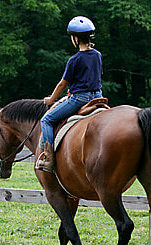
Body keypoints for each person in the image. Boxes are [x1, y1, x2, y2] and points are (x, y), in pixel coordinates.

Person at [36, 16, 103, 172]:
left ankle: (48, 158)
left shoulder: (75, 59)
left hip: (81, 98)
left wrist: (51, 99)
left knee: (46, 120)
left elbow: (62, 84)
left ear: (76, 39)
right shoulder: (98, 55)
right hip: (98, 97)